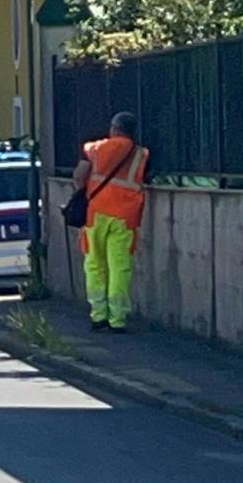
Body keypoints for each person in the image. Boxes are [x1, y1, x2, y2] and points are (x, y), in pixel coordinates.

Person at [72, 111, 149, 333]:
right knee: (119, 267)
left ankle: (98, 315)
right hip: (125, 216)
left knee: (94, 264)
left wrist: (83, 191)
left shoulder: (96, 149)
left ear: (114, 128)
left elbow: (80, 174)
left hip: (96, 213)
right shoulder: (140, 154)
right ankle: (118, 318)